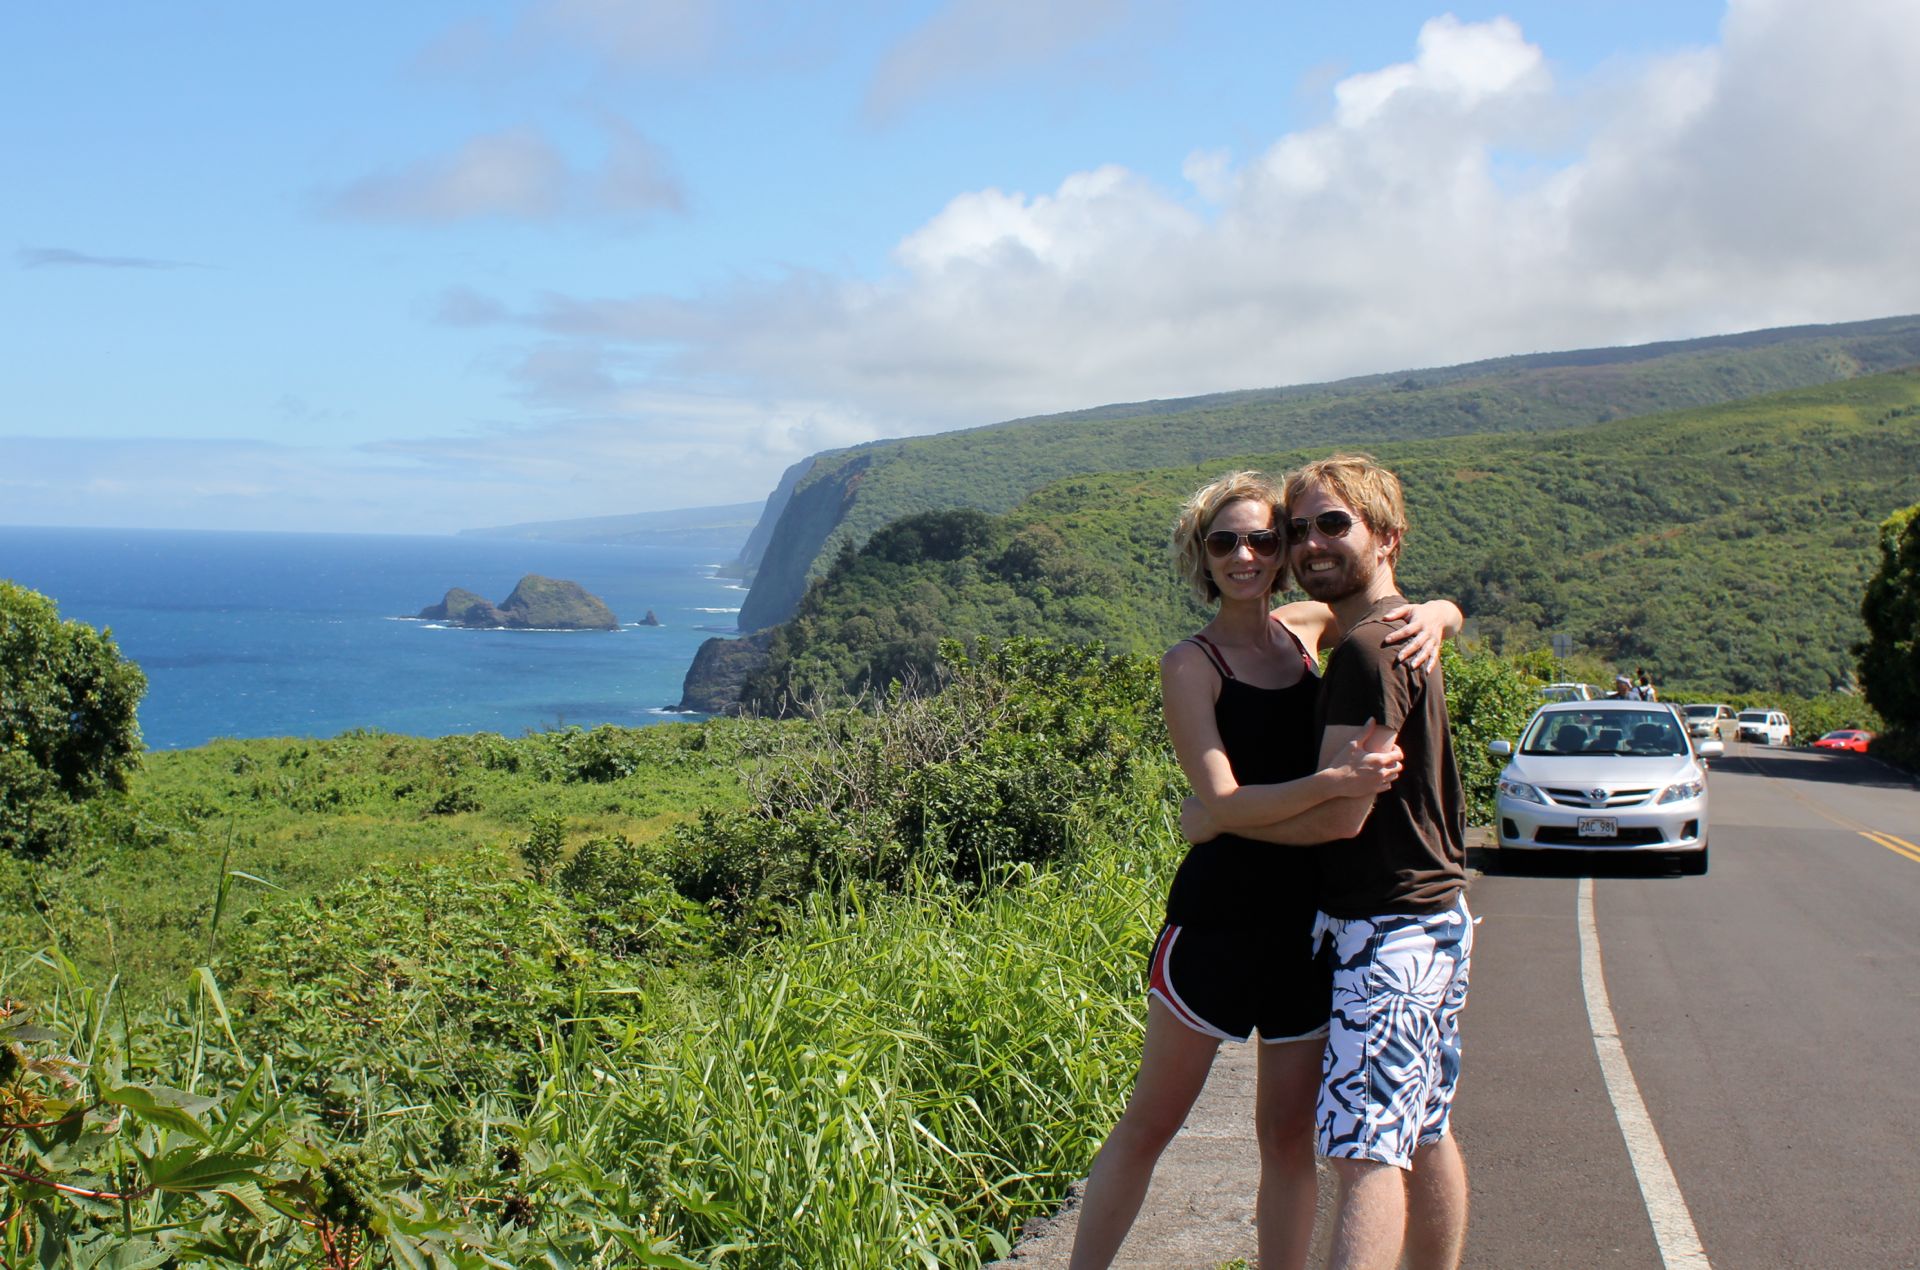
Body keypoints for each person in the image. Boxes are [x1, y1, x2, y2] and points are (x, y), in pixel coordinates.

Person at [1067, 470, 1463, 1270]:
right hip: (1217, 923)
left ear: (1282, 551)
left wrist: (1441, 615)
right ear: (1201, 558)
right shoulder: (1192, 664)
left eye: (1262, 539)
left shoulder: (1302, 628)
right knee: (1151, 1124)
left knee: (1286, 1141)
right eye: (1224, 543)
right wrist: (1329, 786)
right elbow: (1220, 800)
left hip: (1305, 927)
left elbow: (1395, 608)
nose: (1245, 555)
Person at [1184, 454, 1475, 1270]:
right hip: (1436, 914)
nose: (1311, 543)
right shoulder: (1390, 632)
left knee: (1364, 1155)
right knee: (1424, 1126)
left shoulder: (1363, 654)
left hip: (1386, 927)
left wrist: (1220, 822)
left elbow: (1341, 820)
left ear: (1387, 537)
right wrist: (1445, 612)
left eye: (1333, 524)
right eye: (1299, 528)